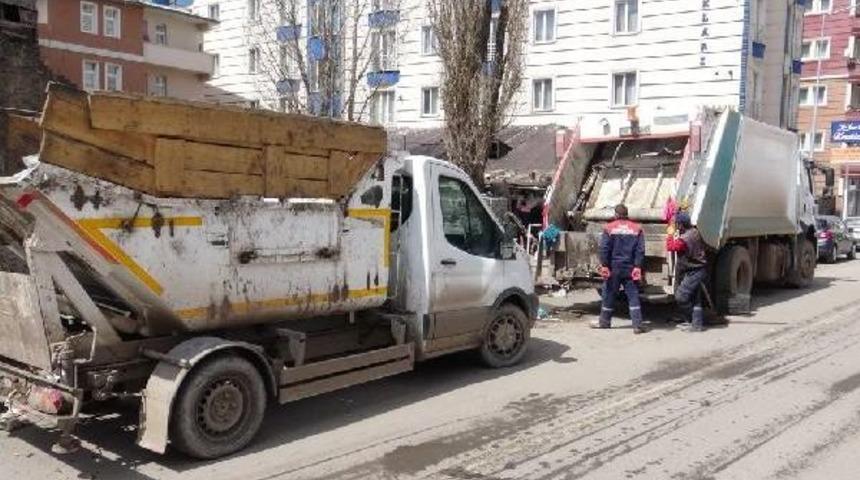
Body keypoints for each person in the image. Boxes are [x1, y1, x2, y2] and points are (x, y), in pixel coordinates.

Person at [592, 204, 647, 334]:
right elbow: (640, 250)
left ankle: (604, 322)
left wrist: (605, 265)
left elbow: (604, 248)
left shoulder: (609, 228)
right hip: (630, 267)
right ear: (627, 214)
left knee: (609, 294)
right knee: (633, 295)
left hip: (614, 267)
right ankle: (637, 325)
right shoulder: (637, 229)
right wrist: (637, 266)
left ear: (616, 215)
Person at [666, 212, 708, 332]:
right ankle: (696, 324)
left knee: (681, 296)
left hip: (694, 271)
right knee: (695, 298)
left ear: (681, 225)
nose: (676, 226)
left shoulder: (685, 239)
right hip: (697, 269)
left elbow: (671, 247)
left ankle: (692, 320)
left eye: (677, 224)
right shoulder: (694, 231)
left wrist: (670, 234)